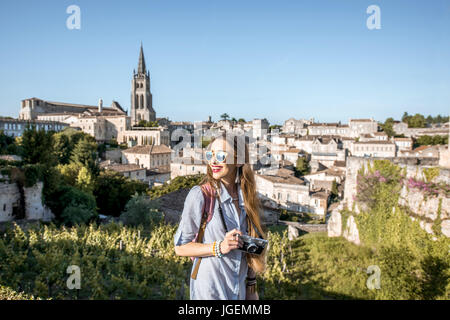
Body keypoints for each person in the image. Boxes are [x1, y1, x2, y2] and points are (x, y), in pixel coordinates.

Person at [174, 132, 267, 300]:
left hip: (239, 291)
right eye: (210, 155)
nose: (213, 161)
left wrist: (251, 285)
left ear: (238, 161)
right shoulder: (200, 195)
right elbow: (180, 247)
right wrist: (219, 247)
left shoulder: (247, 198)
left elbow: (247, 248)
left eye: (221, 156)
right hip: (210, 292)